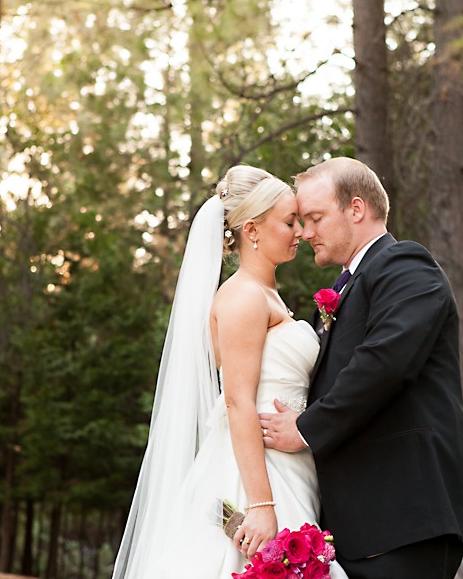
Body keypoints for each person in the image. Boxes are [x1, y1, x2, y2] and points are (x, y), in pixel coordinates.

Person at [111, 166, 348, 578]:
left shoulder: (268, 295)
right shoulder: (242, 297)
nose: (300, 231)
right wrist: (260, 504)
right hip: (257, 472)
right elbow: (238, 400)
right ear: (252, 230)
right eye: (289, 221)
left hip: (290, 462)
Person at [260, 157, 463, 579]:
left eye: (315, 218)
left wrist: (306, 427)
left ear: (356, 209)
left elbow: (384, 363)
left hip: (403, 516)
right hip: (361, 524)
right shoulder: (345, 287)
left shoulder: (405, 266)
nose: (305, 233)